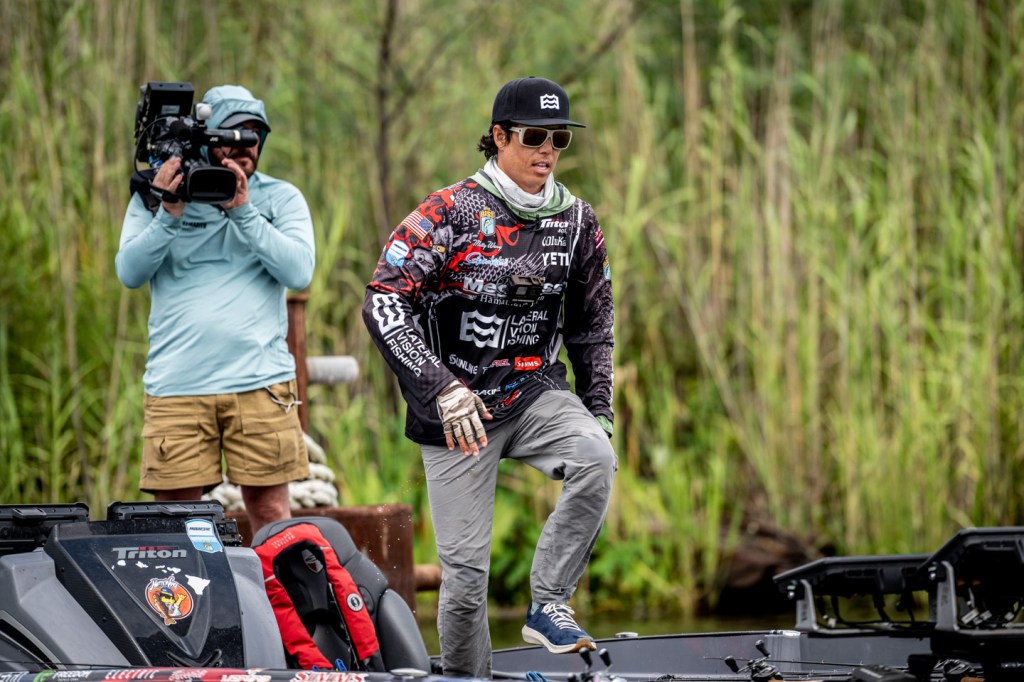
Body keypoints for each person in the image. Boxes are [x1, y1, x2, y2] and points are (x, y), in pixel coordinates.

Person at [362, 76, 617, 677]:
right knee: (466, 578)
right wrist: (440, 387)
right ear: (499, 137)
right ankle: (466, 677)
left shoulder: (578, 221)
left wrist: (599, 407)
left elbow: (592, 325)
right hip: (455, 412)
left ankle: (549, 602)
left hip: (533, 390)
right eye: (534, 137)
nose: (547, 151)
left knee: (596, 456)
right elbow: (383, 300)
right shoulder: (448, 211)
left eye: (559, 139)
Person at [116, 84, 315, 536]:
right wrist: (168, 213)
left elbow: (299, 271)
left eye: (255, 136)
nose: (245, 147)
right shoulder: (156, 194)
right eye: (232, 135)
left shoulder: (281, 198)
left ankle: (272, 586)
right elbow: (129, 272)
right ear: (205, 138)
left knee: (271, 514)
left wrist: (243, 211)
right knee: (176, 523)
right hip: (177, 386)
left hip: (261, 383)